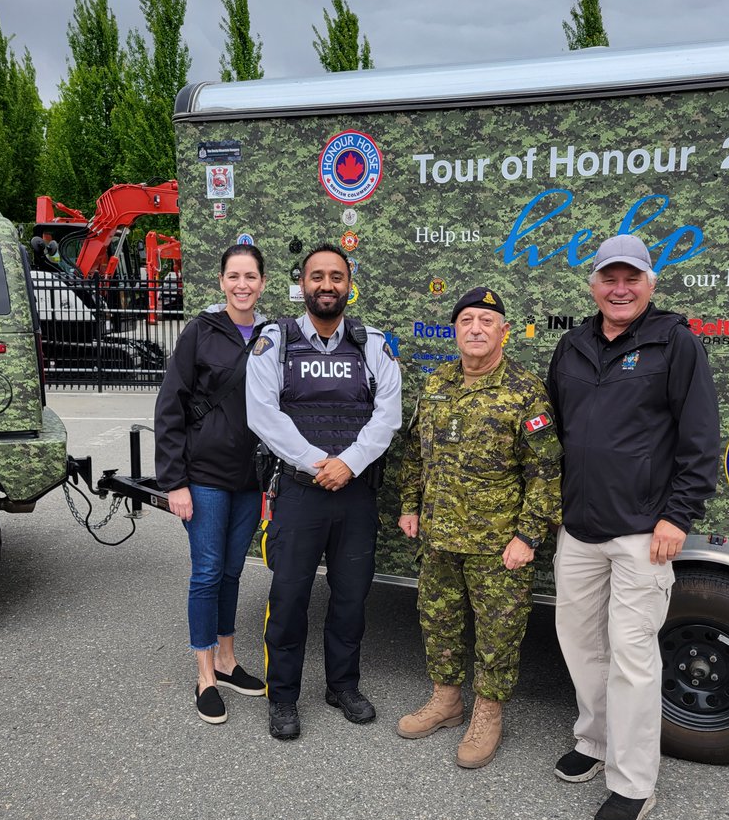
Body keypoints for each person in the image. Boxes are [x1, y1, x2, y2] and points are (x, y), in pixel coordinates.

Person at [547, 233, 720, 820]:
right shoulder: (572, 345)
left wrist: (677, 516)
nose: (620, 289)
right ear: (593, 285)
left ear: (651, 283)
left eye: (632, 278)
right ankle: (594, 741)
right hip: (580, 529)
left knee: (633, 655)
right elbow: (560, 430)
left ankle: (632, 783)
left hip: (643, 532)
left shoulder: (675, 343)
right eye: (608, 278)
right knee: (579, 642)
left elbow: (700, 438)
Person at [396, 287, 562, 768]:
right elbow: (415, 451)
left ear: (503, 331)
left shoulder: (526, 390)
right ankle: (447, 701)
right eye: (467, 320)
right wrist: (411, 506)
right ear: (455, 330)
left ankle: (488, 713)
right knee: (439, 621)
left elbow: (547, 470)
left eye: (486, 321)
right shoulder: (439, 382)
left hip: (499, 544)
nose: (475, 328)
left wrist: (528, 535)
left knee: (499, 632)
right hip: (440, 537)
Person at [244, 243, 402, 740]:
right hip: (300, 491)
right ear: (302, 284)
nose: (327, 285)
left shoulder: (373, 343)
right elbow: (263, 415)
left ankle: (343, 685)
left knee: (351, 598)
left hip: (354, 493)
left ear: (349, 285)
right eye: (318, 276)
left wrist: (348, 464)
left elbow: (387, 416)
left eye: (337, 276)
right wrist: (320, 465)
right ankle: (284, 697)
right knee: (288, 597)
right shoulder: (276, 341)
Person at [154, 244, 268, 724]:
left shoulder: (271, 337)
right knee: (206, 572)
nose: (242, 285)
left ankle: (226, 659)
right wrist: (174, 482)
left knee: (231, 573)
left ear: (263, 283)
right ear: (221, 281)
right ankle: (204, 673)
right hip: (203, 479)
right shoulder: (201, 332)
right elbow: (170, 406)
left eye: (251, 276)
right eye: (234, 276)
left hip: (249, 479)